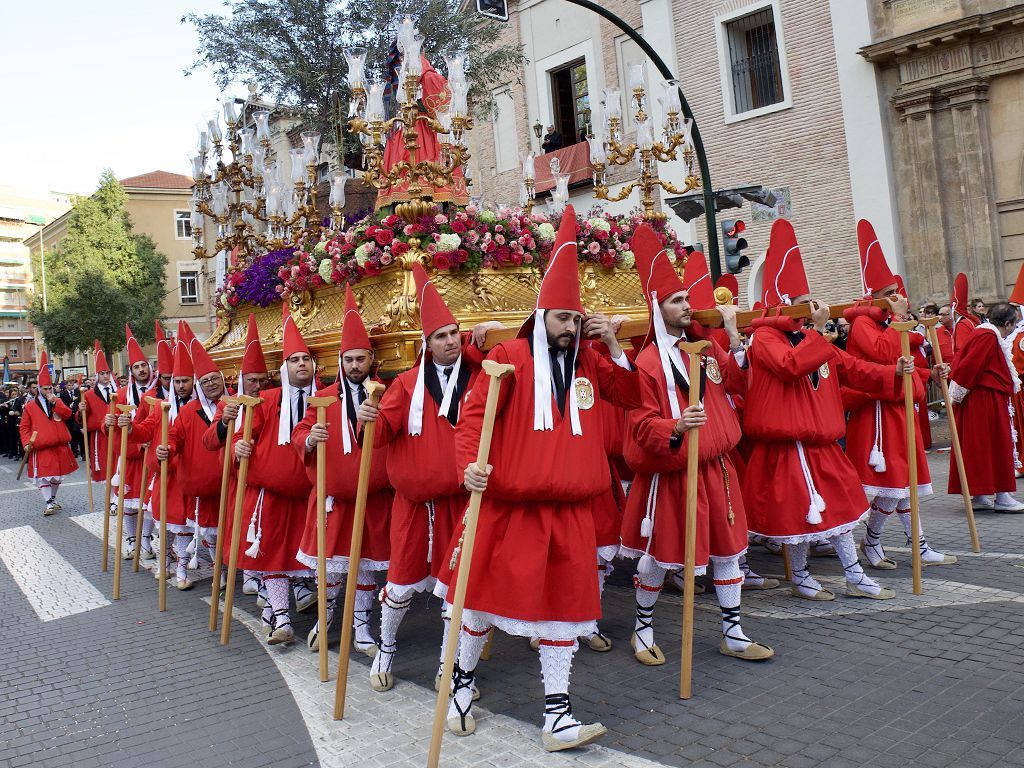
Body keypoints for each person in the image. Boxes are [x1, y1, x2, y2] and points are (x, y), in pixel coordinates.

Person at [435, 206, 640, 751]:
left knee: (563, 613)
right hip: (508, 507)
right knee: (477, 603)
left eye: (576, 320)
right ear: (541, 314)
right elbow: (471, 423)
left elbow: (633, 396)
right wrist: (469, 468)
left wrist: (614, 346)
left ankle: (557, 715)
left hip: (573, 511)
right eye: (561, 319)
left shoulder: (594, 362)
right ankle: (459, 686)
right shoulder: (507, 357)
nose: (570, 329)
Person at [619, 224, 773, 670]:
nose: (686, 307)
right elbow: (640, 423)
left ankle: (733, 631)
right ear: (657, 307)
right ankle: (643, 627)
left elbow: (739, 384)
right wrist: (676, 424)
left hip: (718, 469)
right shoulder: (646, 363)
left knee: (729, 549)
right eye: (676, 301)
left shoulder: (704, 350)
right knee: (658, 556)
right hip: (673, 472)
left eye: (686, 299)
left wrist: (731, 336)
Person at [354, 264, 498, 692]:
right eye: (441, 336)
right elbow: (381, 436)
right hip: (414, 506)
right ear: (427, 343)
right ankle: (386, 647)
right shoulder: (404, 384)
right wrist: (368, 420)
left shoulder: (481, 376)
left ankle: (449, 665)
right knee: (400, 583)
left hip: (463, 502)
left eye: (455, 333)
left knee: (459, 590)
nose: (450, 341)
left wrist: (482, 342)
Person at [743, 220, 903, 602]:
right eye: (804, 300)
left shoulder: (810, 337)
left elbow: (851, 367)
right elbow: (789, 365)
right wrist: (816, 332)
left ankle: (848, 575)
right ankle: (814, 575)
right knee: (803, 514)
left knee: (835, 509)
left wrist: (893, 371)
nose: (812, 307)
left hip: (819, 442)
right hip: (787, 444)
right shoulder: (764, 337)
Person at [847, 220, 954, 569]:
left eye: (898, 292)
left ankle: (916, 544)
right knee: (890, 484)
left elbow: (904, 363)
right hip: (874, 411)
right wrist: (898, 320)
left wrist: (929, 373)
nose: (899, 298)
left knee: (904, 482)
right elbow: (882, 355)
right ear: (876, 297)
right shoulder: (864, 323)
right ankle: (873, 540)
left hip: (896, 408)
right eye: (891, 293)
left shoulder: (886, 323)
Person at [293, 285, 391, 658]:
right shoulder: (321, 400)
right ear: (340, 361)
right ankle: (326, 617)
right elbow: (300, 432)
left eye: (360, 359)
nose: (354, 366)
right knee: (331, 568)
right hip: (334, 501)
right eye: (348, 359)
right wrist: (310, 437)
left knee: (365, 568)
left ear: (371, 360)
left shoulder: (386, 394)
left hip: (373, 499)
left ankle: (363, 626)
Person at [231, 303, 316, 645]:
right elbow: (241, 435)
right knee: (272, 554)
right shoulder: (263, 401)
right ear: (285, 368)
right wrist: (238, 445)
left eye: (305, 360)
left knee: (307, 555)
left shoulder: (325, 399)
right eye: (294, 360)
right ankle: (281, 618)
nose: (301, 365)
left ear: (314, 365)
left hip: (311, 494)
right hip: (271, 495)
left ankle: (292, 611)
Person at [204, 313, 270, 599]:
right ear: (242, 380)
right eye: (251, 380)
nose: (256, 385)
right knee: (241, 529)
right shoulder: (228, 404)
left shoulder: (274, 402)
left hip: (265, 479)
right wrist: (223, 422)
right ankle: (249, 573)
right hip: (238, 481)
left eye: (261, 379)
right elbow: (210, 442)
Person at [948, 302, 1024, 512]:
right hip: (985, 399)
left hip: (983, 398)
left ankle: (981, 494)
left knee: (982, 446)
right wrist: (959, 394)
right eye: (1014, 324)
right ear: (1007, 323)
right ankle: (1002, 495)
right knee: (995, 444)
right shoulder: (987, 336)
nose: (1014, 329)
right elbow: (969, 367)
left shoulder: (983, 333)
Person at [132, 335, 195, 586]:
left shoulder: (200, 407)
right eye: (174, 380)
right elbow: (144, 430)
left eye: (183, 381)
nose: (178, 385)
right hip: (164, 474)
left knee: (182, 525)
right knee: (163, 523)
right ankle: (163, 562)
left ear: (192, 382)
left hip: (187, 476)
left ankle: (181, 571)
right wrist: (129, 428)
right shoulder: (160, 407)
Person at [105, 325, 158, 560]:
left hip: (149, 455)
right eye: (136, 367)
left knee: (146, 502)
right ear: (131, 370)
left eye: (144, 365)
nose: (141, 369)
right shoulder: (121, 394)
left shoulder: (159, 393)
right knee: (128, 504)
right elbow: (111, 428)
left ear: (149, 367)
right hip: (128, 456)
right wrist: (107, 422)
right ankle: (131, 540)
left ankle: (146, 542)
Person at [19, 353, 78, 516]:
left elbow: (67, 415)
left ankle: (52, 499)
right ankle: (48, 502)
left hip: (60, 445)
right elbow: (24, 427)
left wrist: (56, 401)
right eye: (44, 389)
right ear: (38, 389)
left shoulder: (57, 401)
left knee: (57, 477)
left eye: (50, 388)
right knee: (44, 476)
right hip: (41, 446)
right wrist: (25, 443)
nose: (47, 391)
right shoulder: (30, 406)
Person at [79, 342, 116, 514]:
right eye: (102, 374)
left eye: (107, 373)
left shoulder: (119, 391)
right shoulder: (87, 394)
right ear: (97, 375)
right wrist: (81, 411)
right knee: (106, 468)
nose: (106, 376)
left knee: (119, 466)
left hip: (117, 434)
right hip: (99, 437)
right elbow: (80, 420)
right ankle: (111, 500)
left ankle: (117, 499)